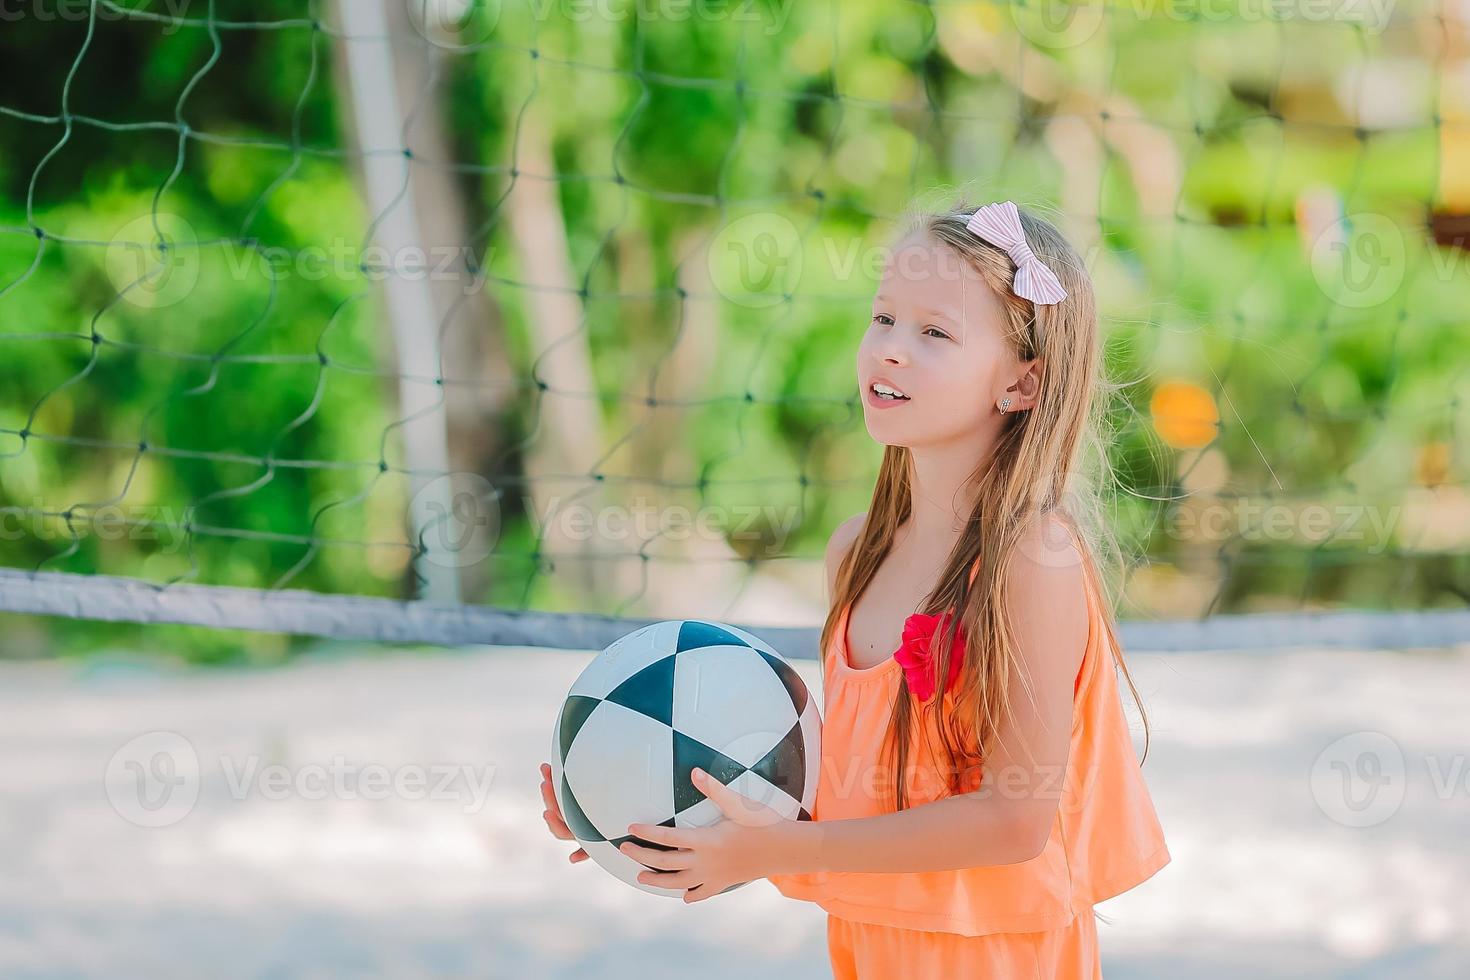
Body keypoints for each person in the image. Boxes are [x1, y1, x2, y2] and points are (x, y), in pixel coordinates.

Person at [540, 197, 1170, 977]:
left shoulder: (1030, 559)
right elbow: (864, 802)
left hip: (996, 954)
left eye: (935, 332)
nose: (891, 351)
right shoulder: (857, 552)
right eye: (884, 319)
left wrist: (780, 846)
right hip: (871, 942)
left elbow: (1014, 820)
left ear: (1022, 386)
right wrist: (632, 799)